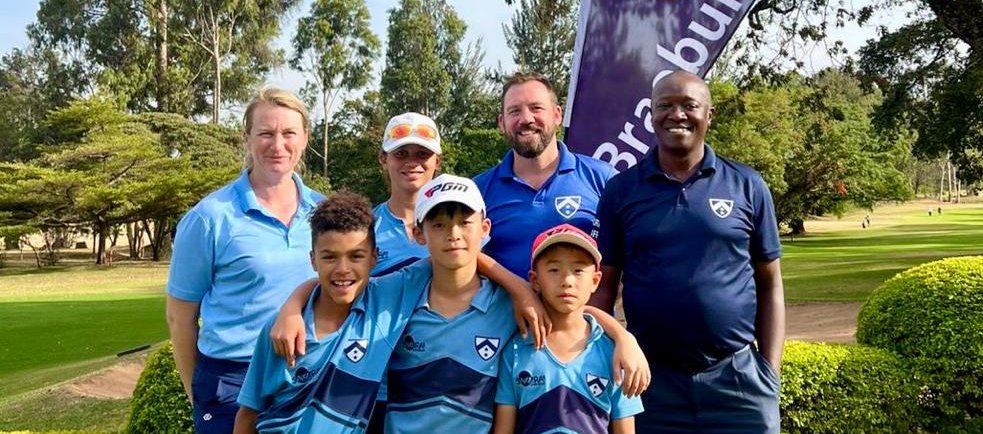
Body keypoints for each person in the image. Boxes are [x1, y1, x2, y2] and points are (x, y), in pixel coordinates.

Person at [592, 71, 786, 433]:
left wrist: (769, 371)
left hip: (738, 382)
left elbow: (770, 283)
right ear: (651, 115)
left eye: (689, 105)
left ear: (708, 115)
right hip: (649, 381)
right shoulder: (621, 191)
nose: (676, 114)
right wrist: (601, 361)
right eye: (665, 105)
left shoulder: (747, 185)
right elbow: (603, 286)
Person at [166, 88, 325, 433]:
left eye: (289, 133)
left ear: (304, 138)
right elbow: (180, 318)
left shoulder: (324, 212)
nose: (278, 145)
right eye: (266, 133)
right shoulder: (209, 218)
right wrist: (199, 398)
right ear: (247, 138)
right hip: (230, 380)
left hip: (305, 373)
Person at [233, 192, 431, 433]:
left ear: (374, 258)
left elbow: (451, 258)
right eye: (329, 257)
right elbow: (248, 414)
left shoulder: (385, 301)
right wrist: (293, 307)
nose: (343, 269)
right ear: (313, 260)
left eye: (356, 256)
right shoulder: (280, 330)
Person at [493, 224, 644, 434]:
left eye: (578, 270)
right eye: (554, 270)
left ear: (595, 281)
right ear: (535, 280)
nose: (567, 281)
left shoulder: (615, 353)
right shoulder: (516, 350)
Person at [474, 72, 617, 278]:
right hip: (505, 301)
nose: (526, 119)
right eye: (514, 111)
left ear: (557, 115)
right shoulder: (478, 191)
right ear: (501, 123)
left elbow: (630, 256)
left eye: (536, 108)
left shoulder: (603, 178)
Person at [372, 112, 442, 276]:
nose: (412, 163)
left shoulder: (457, 222)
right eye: (401, 154)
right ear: (383, 159)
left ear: (437, 161)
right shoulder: (365, 228)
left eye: (422, 154)